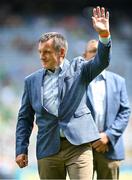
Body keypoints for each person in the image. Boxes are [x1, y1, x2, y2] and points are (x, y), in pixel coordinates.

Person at [15, 7, 111, 180]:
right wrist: (21, 149)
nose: (41, 57)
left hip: (78, 147)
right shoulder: (31, 81)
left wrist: (104, 36)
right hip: (48, 149)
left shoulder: (80, 68)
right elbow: (25, 118)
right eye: (40, 52)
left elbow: (101, 61)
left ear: (62, 53)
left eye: (47, 52)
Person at [83, 39, 131, 179]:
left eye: (100, 51)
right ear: (84, 55)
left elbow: (125, 112)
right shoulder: (76, 82)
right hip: (83, 149)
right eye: (92, 51)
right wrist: (92, 139)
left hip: (110, 148)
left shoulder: (119, 81)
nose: (97, 54)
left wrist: (108, 136)